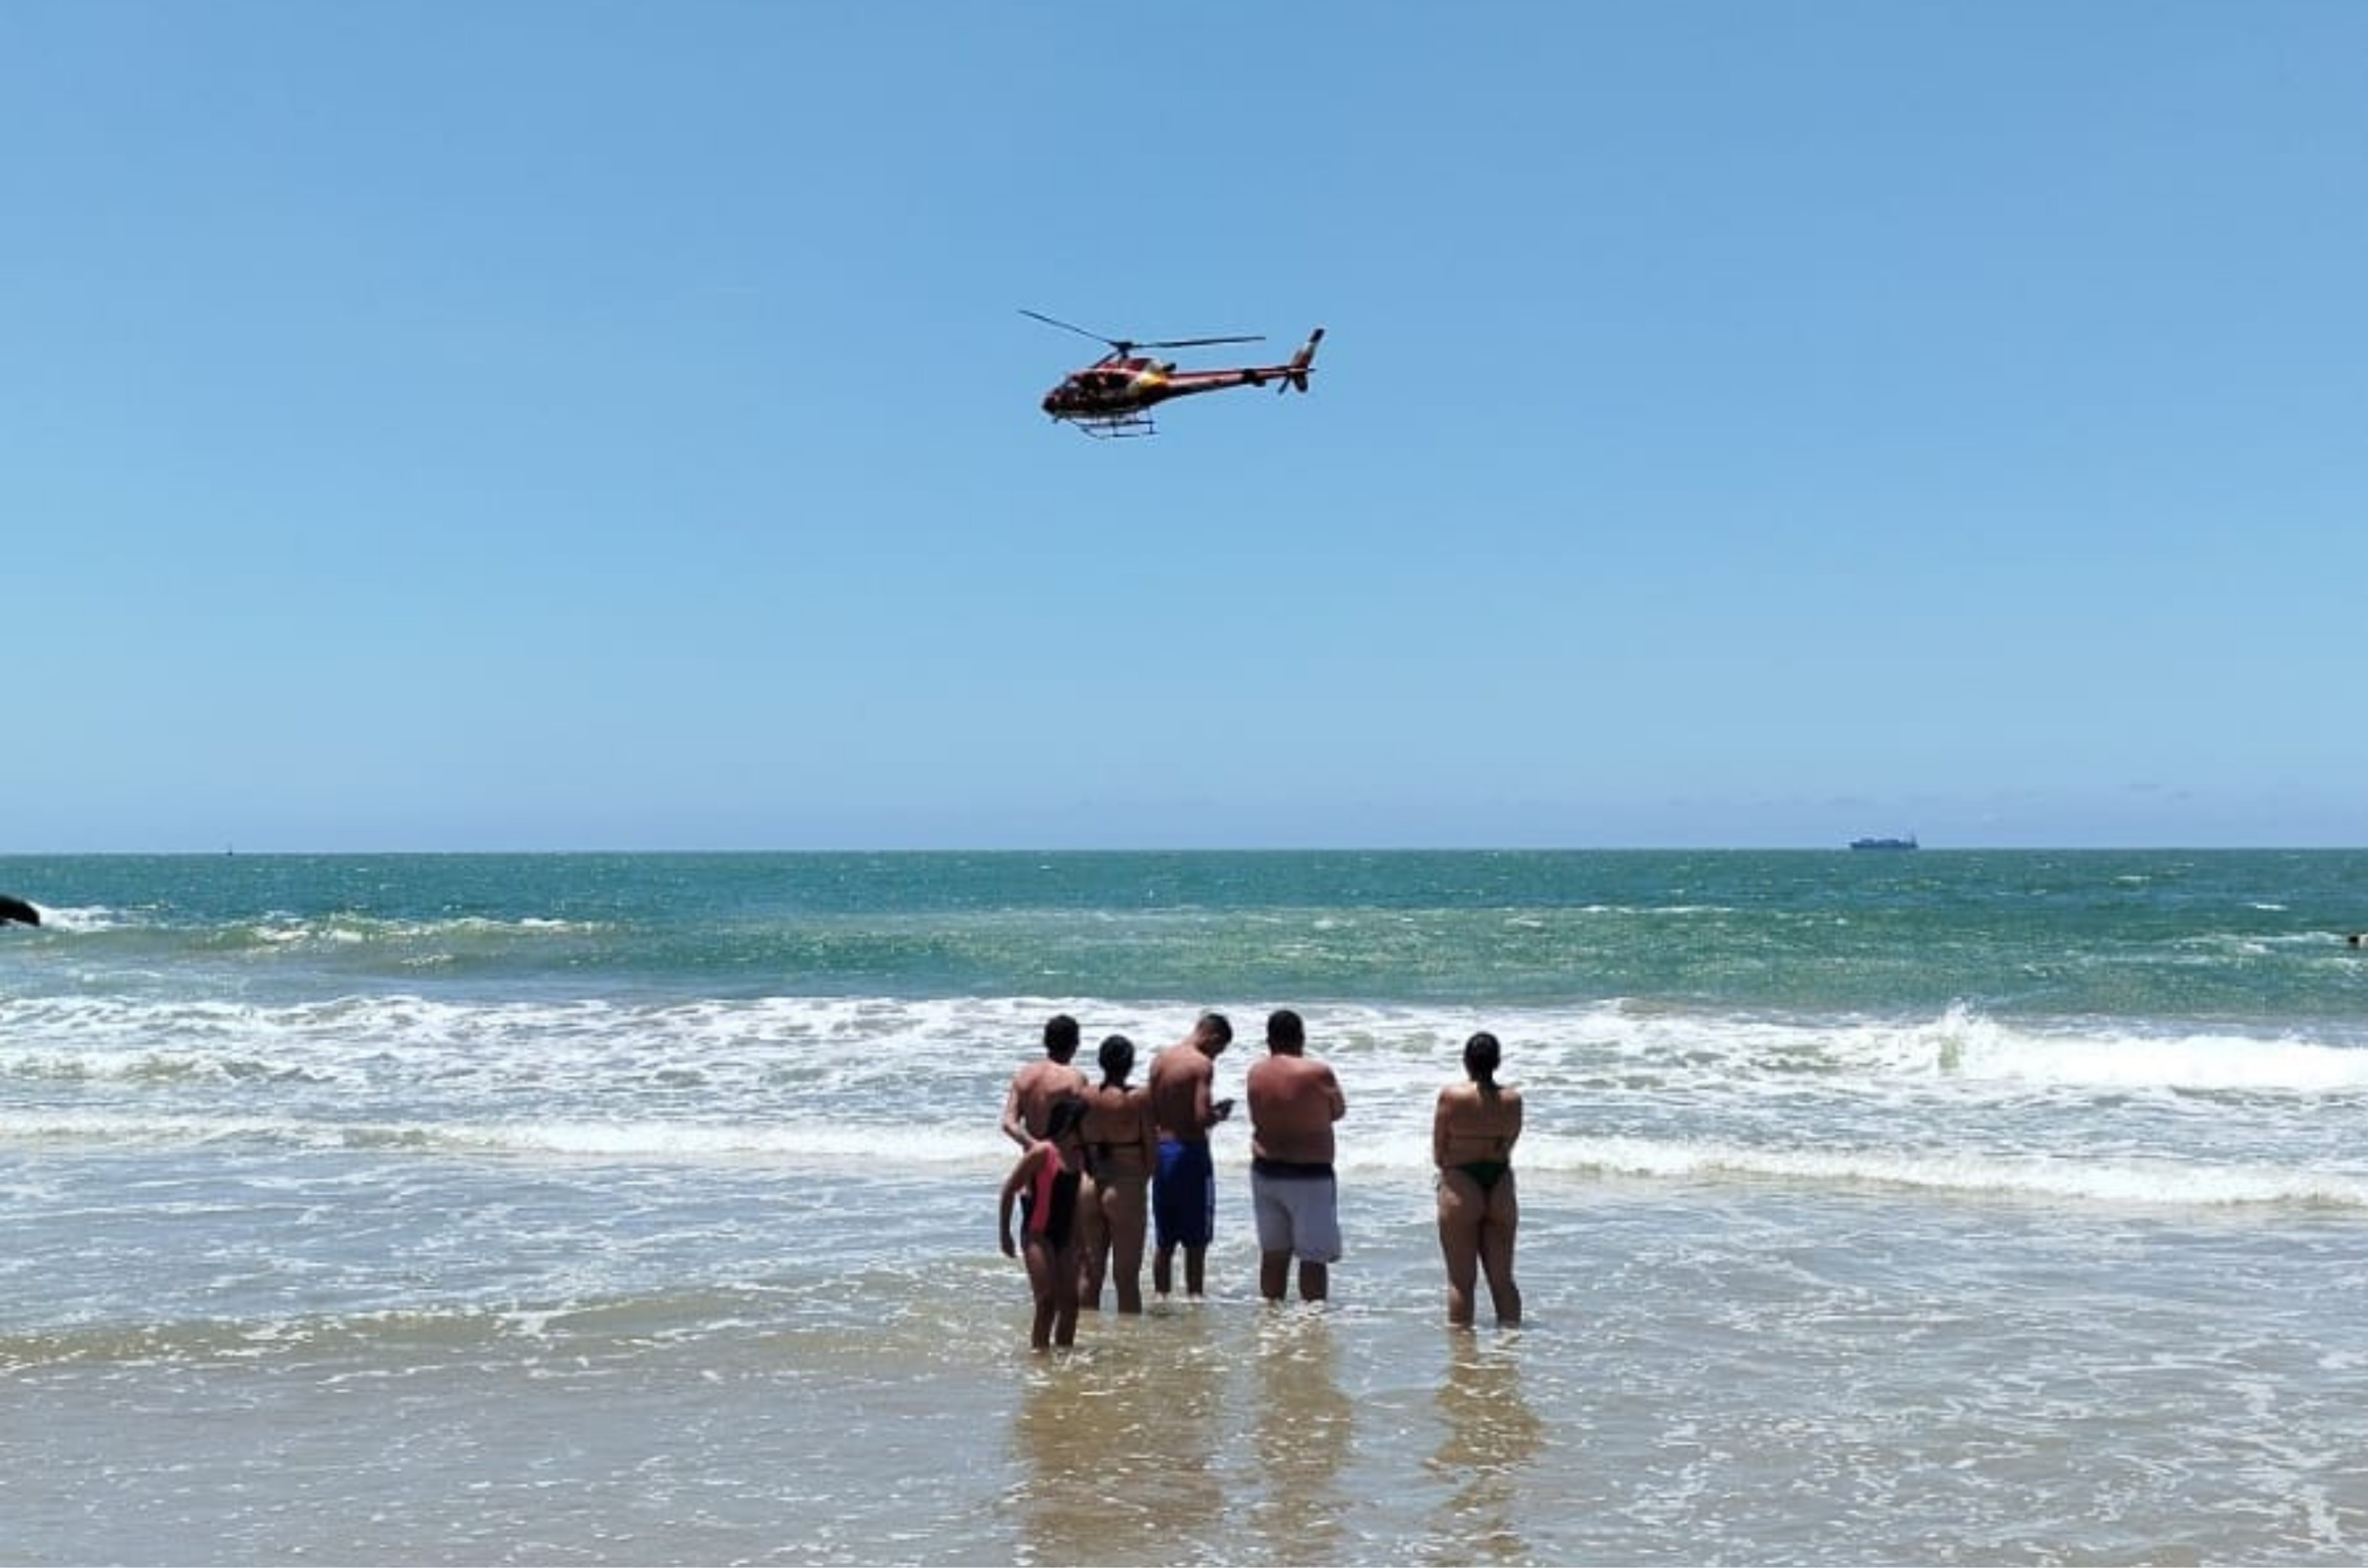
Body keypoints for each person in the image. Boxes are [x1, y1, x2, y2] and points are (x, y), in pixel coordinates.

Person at [1244, 1008, 1346, 1304]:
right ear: (1301, 1038)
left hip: (1265, 1172)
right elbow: (1338, 1111)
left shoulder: (1256, 1072)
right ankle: (1311, 1329)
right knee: (1313, 1260)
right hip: (1309, 1176)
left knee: (1274, 1256)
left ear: (1269, 1040)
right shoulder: (1316, 1072)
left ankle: (1271, 1322)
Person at [1434, 1029, 1523, 1327]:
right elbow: (1510, 1142)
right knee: (1503, 1281)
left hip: (1461, 1182)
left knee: (1461, 1282)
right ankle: (1510, 1349)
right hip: (1499, 1183)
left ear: (1466, 1062)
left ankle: (1463, 1359)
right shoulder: (1513, 1100)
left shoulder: (1452, 1096)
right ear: (1497, 1062)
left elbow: (1439, 1148)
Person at [1146, 1011, 1234, 1298]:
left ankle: (1161, 1300)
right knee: (1196, 1243)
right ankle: (1195, 1303)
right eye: (1219, 1050)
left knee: (1165, 1241)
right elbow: (1200, 1117)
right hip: (1190, 1153)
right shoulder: (1201, 1065)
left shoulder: (1161, 1060)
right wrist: (1219, 1114)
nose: (1216, 1057)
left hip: (1161, 1151)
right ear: (1213, 1037)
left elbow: (1150, 1110)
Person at [1076, 1033, 1160, 1314]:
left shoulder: (1085, 1096)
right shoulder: (1138, 1099)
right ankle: (1128, 1350)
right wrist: (1143, 1180)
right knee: (1126, 1279)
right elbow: (1152, 1150)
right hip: (1126, 1185)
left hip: (1088, 1185)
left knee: (1090, 1274)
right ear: (1130, 1064)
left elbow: (1075, 1144)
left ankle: (1085, 1341)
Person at [999, 1092, 1090, 1351]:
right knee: (1047, 1301)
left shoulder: (1080, 1157)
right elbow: (1009, 1190)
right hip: (1038, 1234)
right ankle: (1040, 1359)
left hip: (1065, 1236)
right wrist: (1005, 1234)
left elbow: (1075, 1204)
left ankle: (1064, 1356)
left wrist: (1082, 1242)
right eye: (1086, 1123)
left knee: (1071, 1305)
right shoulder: (1042, 1152)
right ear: (1071, 1124)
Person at [1000, 1014, 1088, 1150]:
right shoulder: (1075, 1078)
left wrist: (1034, 1145)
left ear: (1046, 1042)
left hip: (1031, 1163)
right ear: (1075, 1044)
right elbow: (1087, 1127)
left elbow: (1008, 1124)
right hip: (1063, 1163)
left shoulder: (1024, 1075)